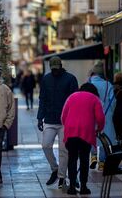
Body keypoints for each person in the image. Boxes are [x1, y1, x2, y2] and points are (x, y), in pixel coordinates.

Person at [37, 56, 78, 188]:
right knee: (45, 145)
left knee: (64, 150)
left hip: (65, 121)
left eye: (57, 69)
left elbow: (74, 101)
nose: (55, 71)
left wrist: (74, 119)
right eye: (52, 69)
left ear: (61, 66)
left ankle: (61, 177)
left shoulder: (70, 79)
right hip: (49, 119)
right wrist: (39, 117)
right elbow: (42, 99)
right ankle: (55, 169)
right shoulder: (46, 79)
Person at [61, 83, 105, 195]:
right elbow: (100, 117)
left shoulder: (72, 97)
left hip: (71, 131)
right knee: (84, 159)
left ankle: (71, 187)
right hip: (86, 131)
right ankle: (84, 187)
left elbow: (63, 116)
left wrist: (68, 126)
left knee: (72, 159)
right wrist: (99, 128)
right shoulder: (95, 99)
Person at [88, 61, 116, 171]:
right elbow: (113, 101)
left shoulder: (89, 83)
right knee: (103, 137)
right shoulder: (108, 84)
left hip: (91, 114)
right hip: (106, 115)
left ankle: (93, 156)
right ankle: (102, 162)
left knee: (92, 136)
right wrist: (110, 112)